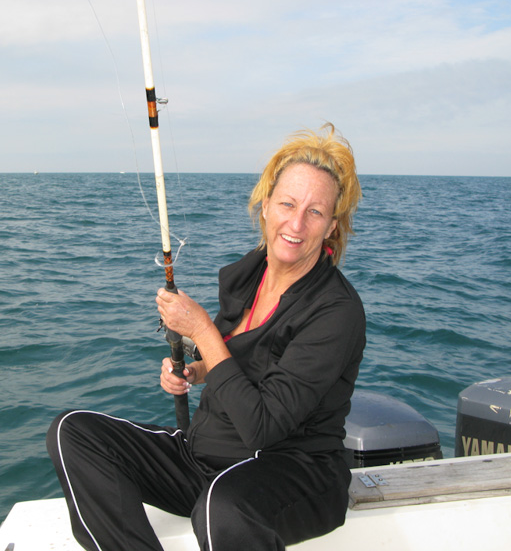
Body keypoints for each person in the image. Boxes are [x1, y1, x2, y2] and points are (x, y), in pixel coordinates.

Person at [47, 123, 365, 551]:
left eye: (315, 212)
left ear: (331, 226)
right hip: (207, 459)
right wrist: (196, 370)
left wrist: (200, 329)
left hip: (293, 470)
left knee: (222, 508)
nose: (296, 222)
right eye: (288, 203)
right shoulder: (250, 273)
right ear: (266, 206)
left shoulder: (336, 311)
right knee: (73, 432)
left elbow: (263, 427)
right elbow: (244, 362)